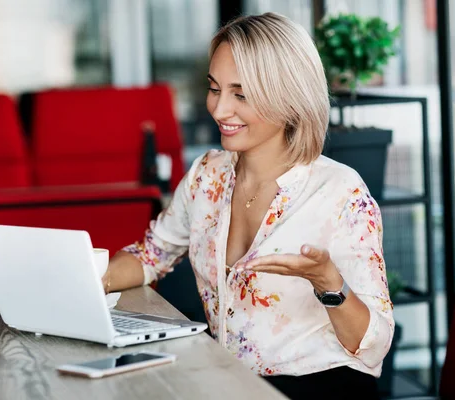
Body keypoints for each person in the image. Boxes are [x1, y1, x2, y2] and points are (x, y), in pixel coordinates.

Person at [103, 12, 393, 400]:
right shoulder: (207, 174)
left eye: (241, 94)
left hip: (318, 387)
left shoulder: (342, 193)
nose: (220, 110)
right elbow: (151, 254)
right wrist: (84, 282)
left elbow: (373, 345)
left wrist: (328, 283)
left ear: (289, 96)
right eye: (214, 88)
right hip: (228, 381)